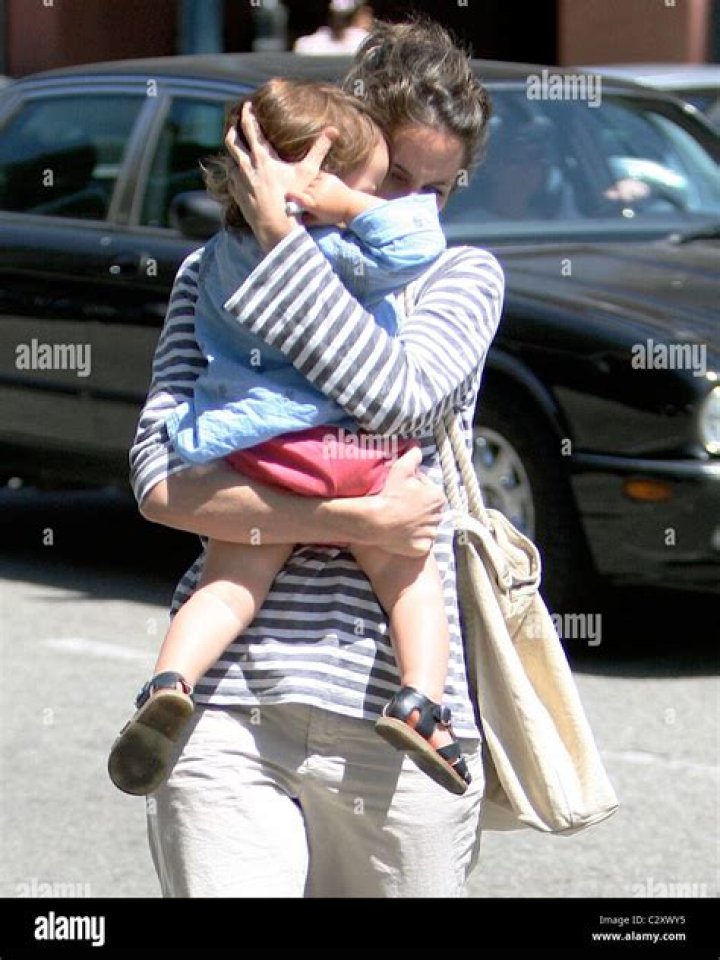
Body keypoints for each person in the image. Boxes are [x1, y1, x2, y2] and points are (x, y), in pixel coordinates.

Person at [127, 18, 505, 897]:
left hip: (397, 726)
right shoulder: (213, 272)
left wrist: (290, 249)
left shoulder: (461, 277)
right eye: (394, 179)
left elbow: (396, 399)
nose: (410, 208)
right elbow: (159, 479)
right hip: (230, 705)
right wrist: (356, 519)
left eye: (437, 190)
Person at [294, 0, 373, 55]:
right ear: (329, 17)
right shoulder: (311, 43)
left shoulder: (361, 40)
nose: (339, 22)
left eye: (344, 18)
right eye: (336, 17)